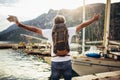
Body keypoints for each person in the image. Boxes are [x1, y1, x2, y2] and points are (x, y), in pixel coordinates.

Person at [7, 14, 100, 80]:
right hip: (67, 60)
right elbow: (82, 25)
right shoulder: (69, 30)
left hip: (55, 61)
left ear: (54, 23)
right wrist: (93, 19)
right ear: (64, 22)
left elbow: (34, 29)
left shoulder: (49, 32)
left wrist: (19, 24)